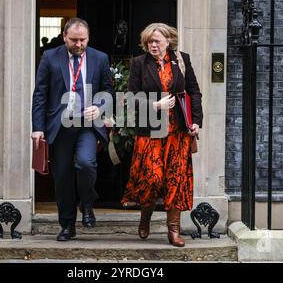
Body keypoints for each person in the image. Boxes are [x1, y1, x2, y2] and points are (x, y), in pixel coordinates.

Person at [31, 18, 114, 242]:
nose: (78, 44)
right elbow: (40, 94)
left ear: (88, 38)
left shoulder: (100, 58)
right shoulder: (50, 57)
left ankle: (87, 204)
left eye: (83, 40)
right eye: (74, 40)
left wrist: (99, 107)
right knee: (63, 178)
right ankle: (67, 225)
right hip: (60, 126)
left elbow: (109, 91)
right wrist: (38, 128)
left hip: (88, 125)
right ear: (64, 36)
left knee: (87, 163)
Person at [121, 23, 203, 247]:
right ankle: (145, 218)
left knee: (176, 180)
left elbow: (194, 91)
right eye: (149, 42)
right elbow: (131, 97)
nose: (152, 45)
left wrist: (196, 121)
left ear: (169, 41)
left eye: (157, 41)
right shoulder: (140, 63)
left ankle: (173, 231)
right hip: (151, 132)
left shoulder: (181, 60)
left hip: (178, 132)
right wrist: (154, 104)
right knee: (152, 179)